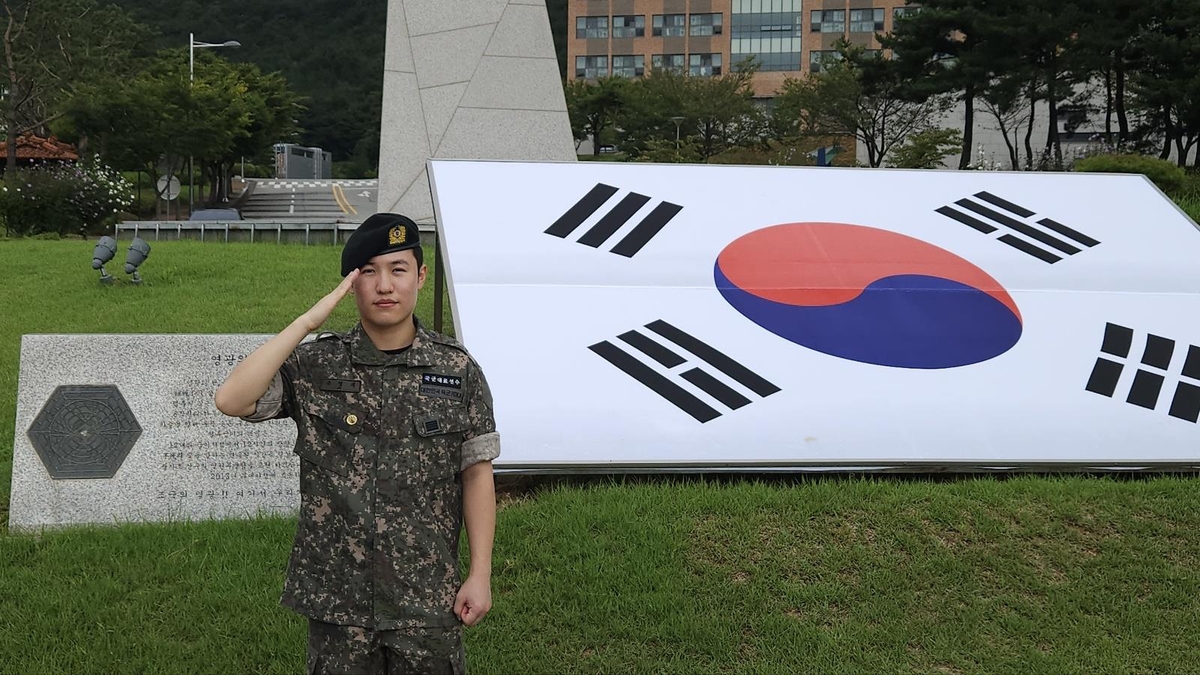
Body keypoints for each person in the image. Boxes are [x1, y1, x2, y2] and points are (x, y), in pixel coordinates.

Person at [214, 212, 500, 675]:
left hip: (426, 596)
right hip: (337, 601)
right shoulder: (317, 365)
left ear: (421, 276)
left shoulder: (456, 370)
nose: (385, 285)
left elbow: (477, 474)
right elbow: (231, 399)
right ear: (351, 283)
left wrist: (479, 573)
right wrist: (307, 322)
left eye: (398, 269)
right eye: (369, 271)